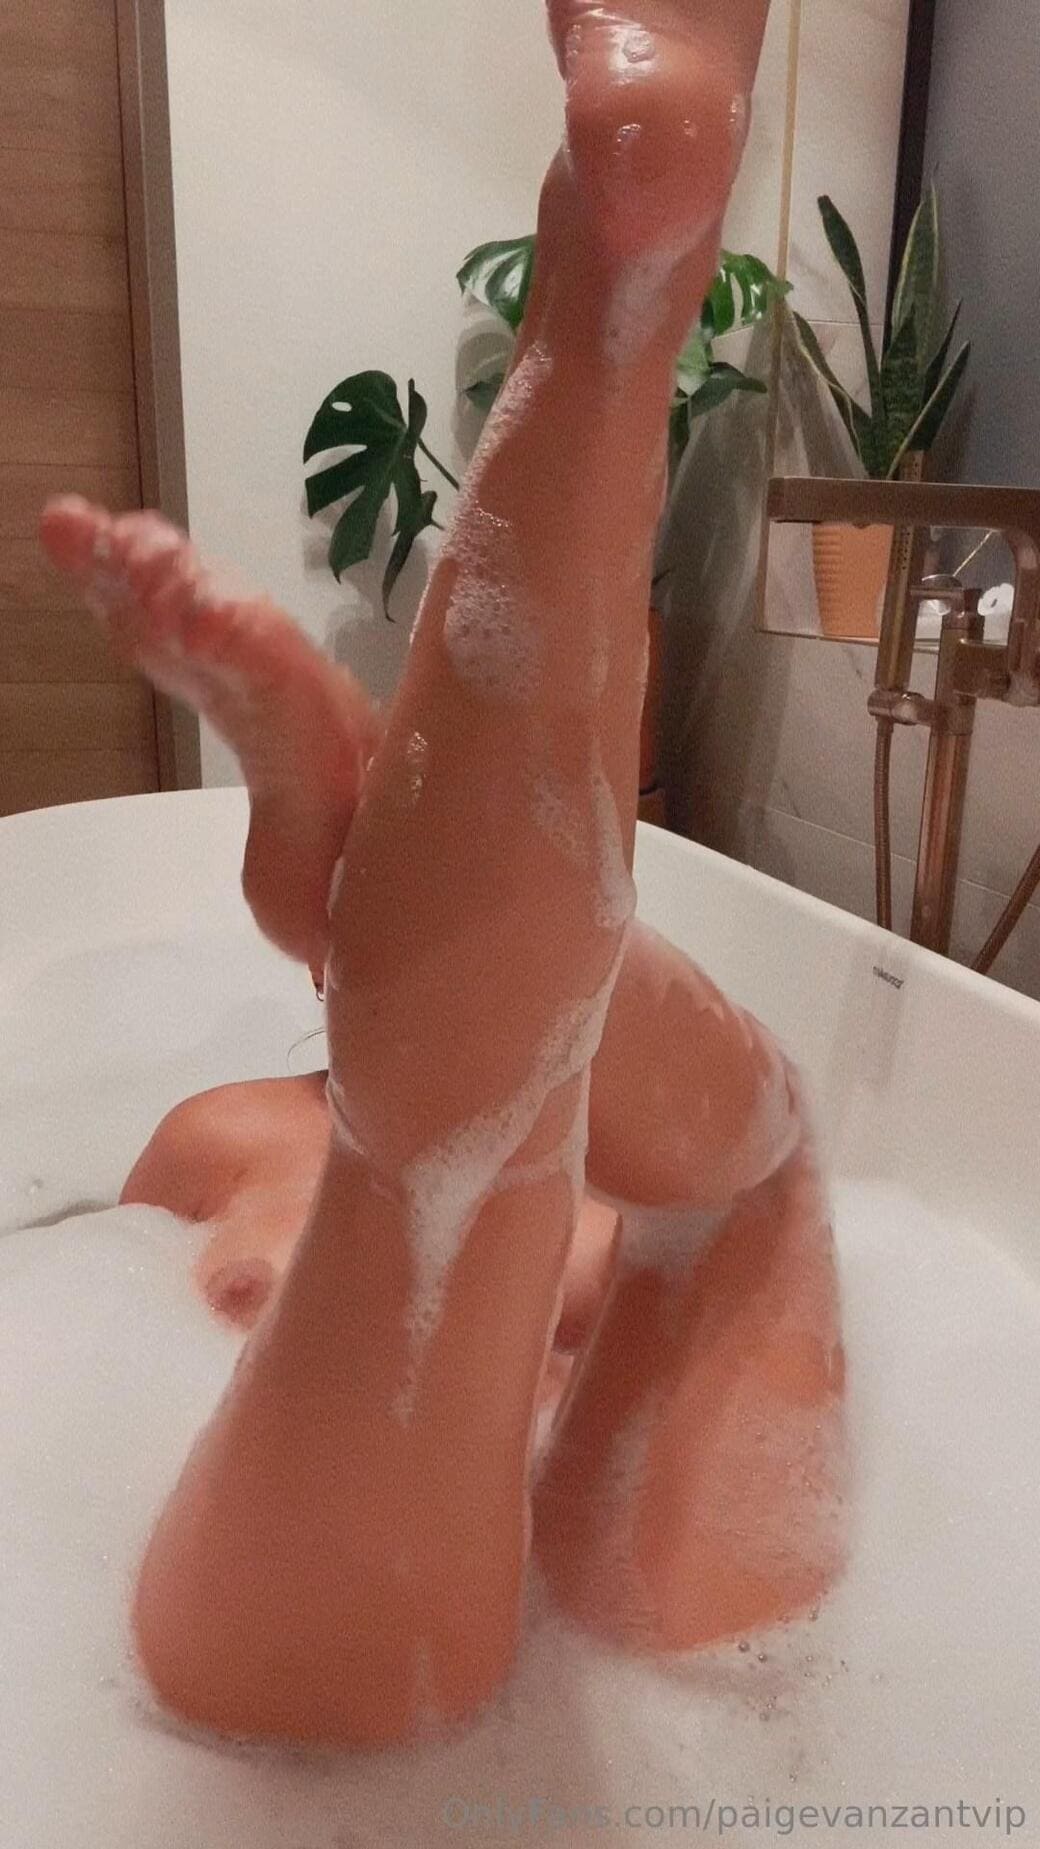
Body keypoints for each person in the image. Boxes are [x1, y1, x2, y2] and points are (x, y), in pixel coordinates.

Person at [40, 0, 846, 1751]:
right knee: (689, 1151)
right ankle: (613, 316)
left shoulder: (206, 1138)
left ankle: (382, 891)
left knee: (479, 1151)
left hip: (381, 1491)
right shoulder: (231, 1133)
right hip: (515, 1436)